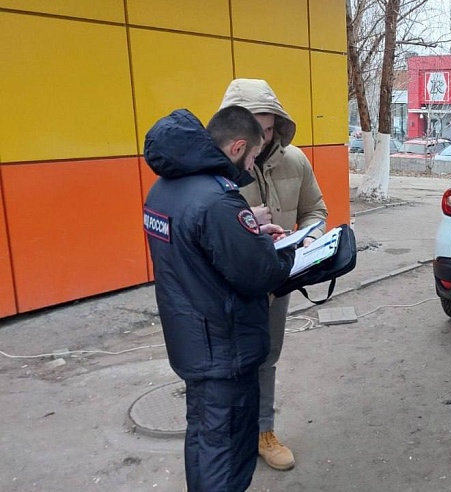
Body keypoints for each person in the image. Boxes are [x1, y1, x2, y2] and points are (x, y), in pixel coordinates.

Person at [143, 106, 295, 490]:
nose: (251, 164)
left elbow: (194, 243)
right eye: (253, 156)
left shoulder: (164, 188)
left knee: (203, 440)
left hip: (192, 341)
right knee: (226, 454)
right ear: (238, 146)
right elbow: (259, 274)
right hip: (224, 350)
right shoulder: (217, 200)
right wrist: (285, 249)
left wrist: (246, 227)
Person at [218, 79, 328, 471]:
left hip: (276, 284)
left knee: (267, 358)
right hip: (229, 290)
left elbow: (316, 209)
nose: (260, 139)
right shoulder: (215, 171)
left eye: (267, 128)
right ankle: (230, 436)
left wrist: (306, 240)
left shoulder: (295, 161)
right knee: (229, 363)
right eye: (252, 128)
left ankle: (264, 431)